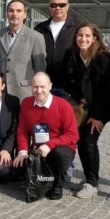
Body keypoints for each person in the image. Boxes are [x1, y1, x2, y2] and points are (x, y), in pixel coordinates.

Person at [62, 22, 110, 199]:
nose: (83, 39)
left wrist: (97, 116)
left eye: (87, 36)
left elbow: (106, 90)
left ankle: (92, 183)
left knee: (89, 140)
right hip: (82, 105)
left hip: (102, 107)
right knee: (80, 140)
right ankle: (88, 178)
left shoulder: (103, 58)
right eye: (80, 35)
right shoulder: (71, 54)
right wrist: (80, 96)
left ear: (94, 38)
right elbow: (67, 80)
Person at [14, 72, 79, 200]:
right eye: (35, 87)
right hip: (38, 149)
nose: (38, 91)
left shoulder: (63, 105)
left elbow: (73, 134)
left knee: (60, 154)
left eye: (42, 87)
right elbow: (22, 130)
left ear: (50, 86)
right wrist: (22, 152)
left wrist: (49, 145)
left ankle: (58, 185)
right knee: (16, 169)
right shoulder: (26, 103)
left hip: (60, 147)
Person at [0, 0, 47, 99]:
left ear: (25, 14)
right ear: (6, 13)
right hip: (1, 92)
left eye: (19, 11)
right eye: (11, 11)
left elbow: (40, 69)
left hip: (24, 92)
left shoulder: (35, 37)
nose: (14, 14)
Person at [34, 0, 78, 90]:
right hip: (44, 86)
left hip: (69, 87)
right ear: (49, 7)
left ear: (68, 6)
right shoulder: (40, 29)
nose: (58, 8)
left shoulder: (77, 28)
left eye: (62, 5)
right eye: (54, 5)